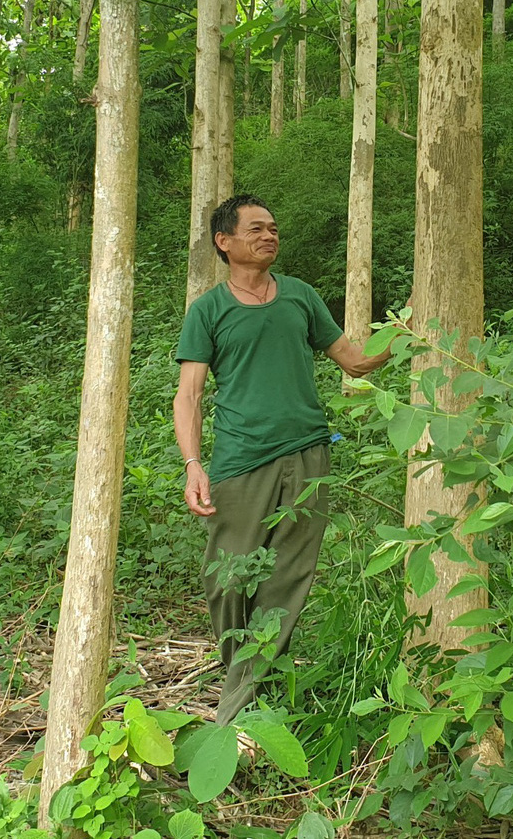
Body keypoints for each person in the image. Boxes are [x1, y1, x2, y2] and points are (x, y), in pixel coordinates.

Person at [173, 193, 389, 724]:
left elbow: (356, 363)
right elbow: (190, 395)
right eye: (255, 229)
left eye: (273, 228)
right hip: (240, 461)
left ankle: (240, 707)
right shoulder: (209, 310)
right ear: (224, 242)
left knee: (287, 579)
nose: (269, 236)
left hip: (308, 454)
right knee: (227, 578)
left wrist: (405, 334)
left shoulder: (300, 297)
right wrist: (193, 464)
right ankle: (242, 674)